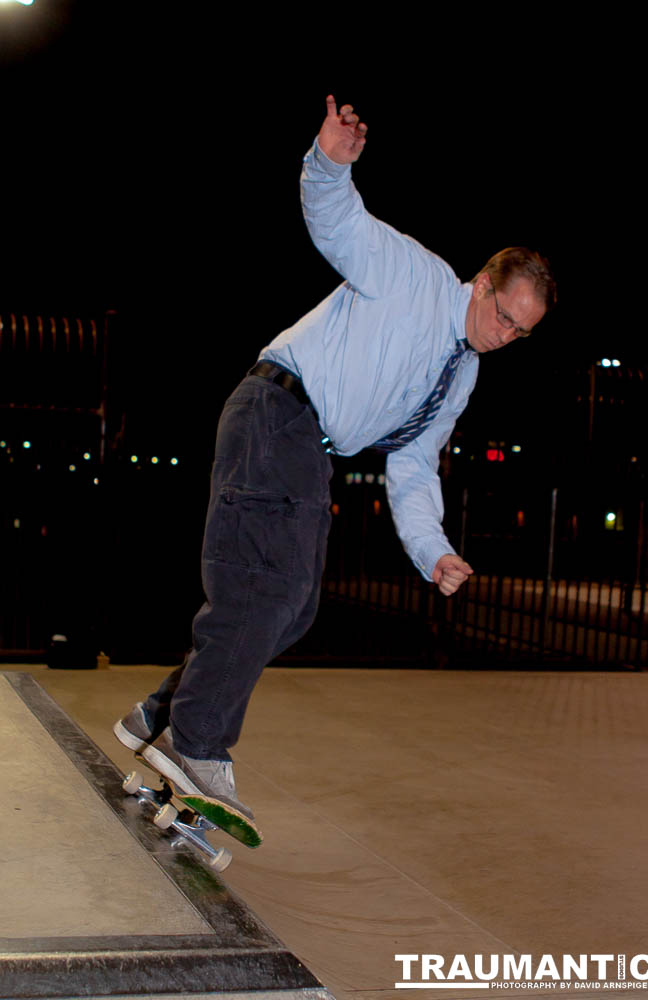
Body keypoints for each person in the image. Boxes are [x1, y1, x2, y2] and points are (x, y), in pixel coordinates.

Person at [114, 96, 556, 846]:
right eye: (502, 317)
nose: (504, 337)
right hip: (276, 410)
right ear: (481, 283)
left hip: (302, 442)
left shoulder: (461, 376)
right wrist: (327, 162)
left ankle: (162, 714)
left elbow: (414, 463)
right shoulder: (412, 275)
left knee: (295, 608)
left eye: (520, 334)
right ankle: (196, 743)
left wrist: (433, 550)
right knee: (269, 585)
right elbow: (337, 222)